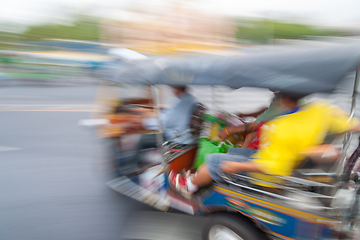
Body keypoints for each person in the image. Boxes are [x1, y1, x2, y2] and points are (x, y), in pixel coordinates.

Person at [169, 95, 360, 197]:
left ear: (283, 100)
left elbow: (272, 166)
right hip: (289, 162)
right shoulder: (321, 108)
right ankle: (198, 177)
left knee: (214, 160)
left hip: (271, 177)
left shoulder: (283, 126)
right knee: (233, 150)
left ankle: (190, 185)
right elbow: (353, 124)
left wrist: (237, 166)